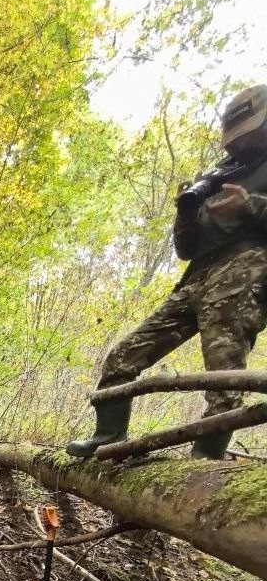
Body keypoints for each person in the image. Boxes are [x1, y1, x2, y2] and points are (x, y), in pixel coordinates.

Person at [67, 84, 267, 461]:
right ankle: (108, 437)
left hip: (244, 273)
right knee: (124, 355)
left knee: (224, 376)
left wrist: (250, 204)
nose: (237, 145)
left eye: (246, 135)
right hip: (195, 278)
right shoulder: (221, 174)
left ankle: (205, 462)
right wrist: (186, 214)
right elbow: (185, 250)